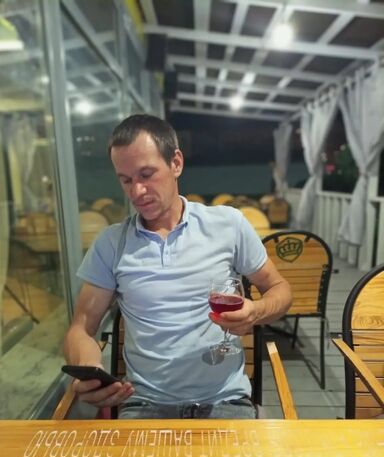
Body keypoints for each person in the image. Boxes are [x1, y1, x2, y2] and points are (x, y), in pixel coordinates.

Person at [63, 114, 292, 419]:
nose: (136, 192)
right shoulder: (112, 243)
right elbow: (80, 328)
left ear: (176, 163)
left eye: (147, 174)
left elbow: (280, 290)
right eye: (126, 180)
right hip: (144, 405)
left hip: (224, 401)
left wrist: (257, 311)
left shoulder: (227, 224)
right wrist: (89, 366)